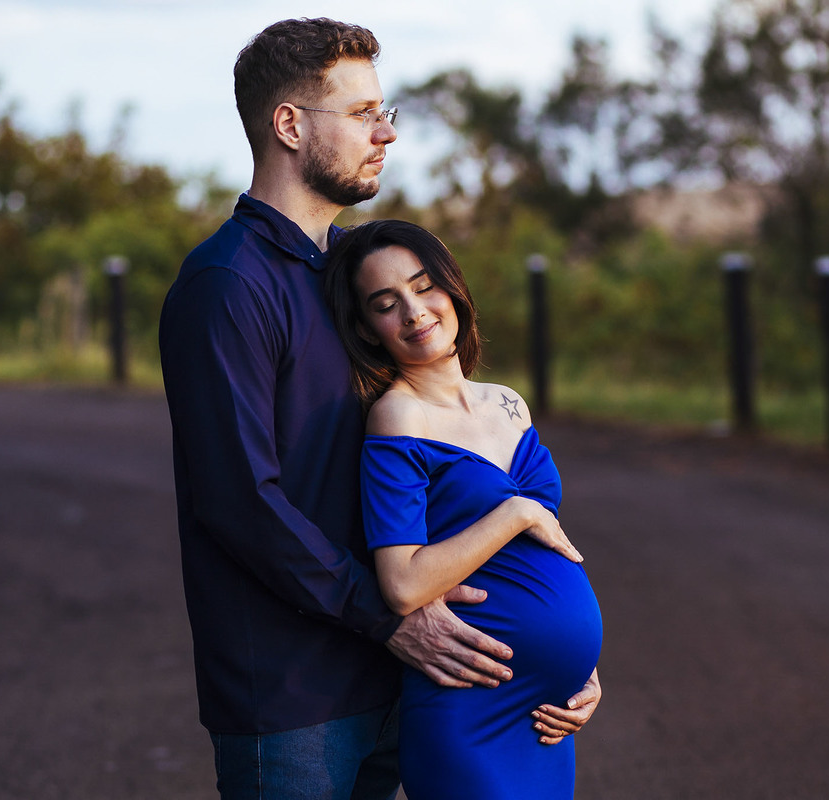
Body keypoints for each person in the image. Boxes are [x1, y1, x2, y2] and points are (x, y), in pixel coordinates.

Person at [160, 17, 600, 799]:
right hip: (295, 697)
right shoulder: (227, 286)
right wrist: (388, 615)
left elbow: (441, 480)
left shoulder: (349, 281)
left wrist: (553, 656)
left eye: (384, 110)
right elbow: (240, 502)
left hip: (403, 677)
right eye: (364, 113)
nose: (387, 132)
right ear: (290, 125)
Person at [324, 219, 604, 800]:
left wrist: (582, 666)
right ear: (368, 330)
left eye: (423, 286)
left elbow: (551, 541)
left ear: (452, 289)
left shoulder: (507, 403)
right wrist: (516, 514)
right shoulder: (400, 418)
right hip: (472, 709)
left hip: (547, 714)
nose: (413, 311)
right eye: (385, 303)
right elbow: (402, 584)